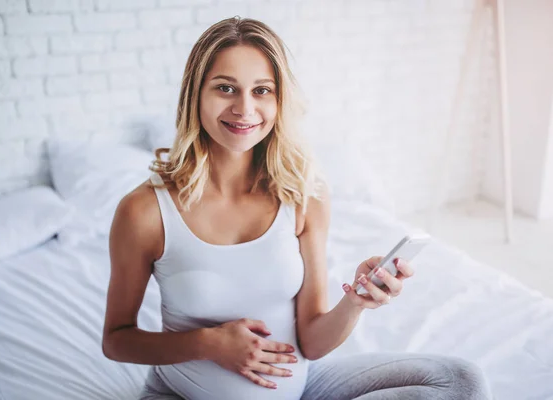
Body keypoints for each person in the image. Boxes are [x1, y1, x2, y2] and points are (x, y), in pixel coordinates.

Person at [102, 16, 492, 400]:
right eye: (225, 88)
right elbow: (117, 342)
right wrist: (208, 343)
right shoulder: (145, 211)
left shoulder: (304, 194)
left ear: (279, 99)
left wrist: (354, 302)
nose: (244, 108)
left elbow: (313, 341)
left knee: (460, 381)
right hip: (184, 394)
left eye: (261, 91)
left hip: (303, 388)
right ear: (195, 95)